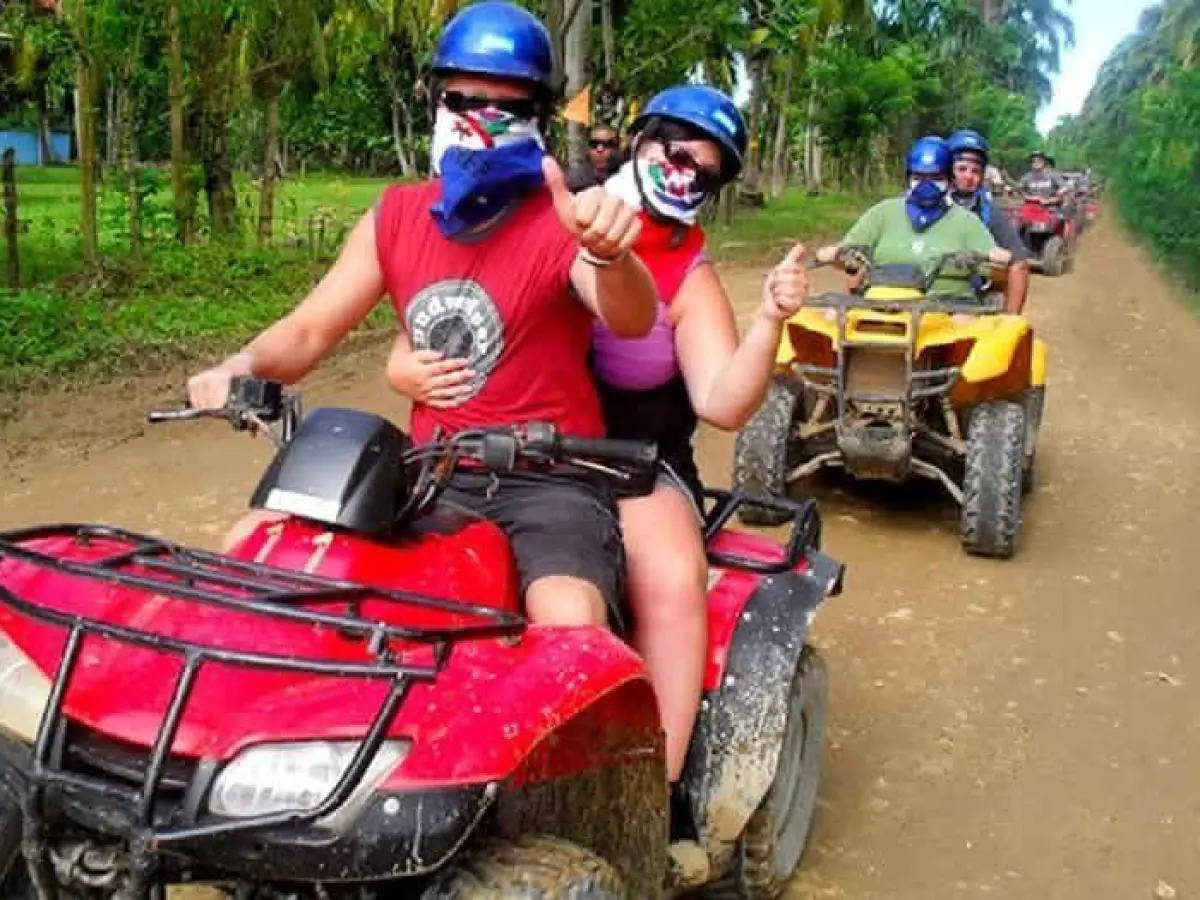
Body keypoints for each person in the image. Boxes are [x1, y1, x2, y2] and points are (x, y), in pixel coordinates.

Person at [388, 83, 809, 805]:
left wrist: (770, 319)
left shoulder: (689, 274)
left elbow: (722, 402)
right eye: (674, 153)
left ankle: (657, 794)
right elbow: (446, 298)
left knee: (671, 584)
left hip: (629, 461)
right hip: (505, 450)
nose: (682, 174)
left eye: (704, 173)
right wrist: (401, 364)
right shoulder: (546, 205)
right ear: (643, 141)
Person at [186, 1, 661, 631]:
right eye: (463, 101)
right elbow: (309, 330)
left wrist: (610, 255)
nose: (481, 122)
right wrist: (238, 366)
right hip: (431, 472)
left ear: (538, 118)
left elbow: (630, 317)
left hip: (553, 479)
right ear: (435, 102)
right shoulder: (397, 215)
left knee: (566, 618)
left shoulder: (563, 218)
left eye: (508, 108)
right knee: (261, 544)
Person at [817, 136, 1011, 290]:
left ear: (950, 181)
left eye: (936, 178)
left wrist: (996, 260)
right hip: (880, 303)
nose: (927, 185)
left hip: (950, 308)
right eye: (919, 177)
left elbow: (997, 272)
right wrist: (834, 255)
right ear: (908, 179)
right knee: (827, 321)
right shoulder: (883, 213)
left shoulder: (967, 222)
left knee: (973, 335)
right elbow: (848, 254)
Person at [947, 129, 1031, 314]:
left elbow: (1019, 264)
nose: (968, 176)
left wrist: (1011, 321)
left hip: (968, 301)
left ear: (983, 175)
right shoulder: (924, 205)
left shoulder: (990, 213)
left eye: (975, 171)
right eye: (961, 169)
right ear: (947, 169)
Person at [566, 123, 622, 192]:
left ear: (616, 148)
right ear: (587, 148)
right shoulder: (576, 176)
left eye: (607, 144)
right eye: (594, 144)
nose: (600, 149)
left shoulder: (625, 176)